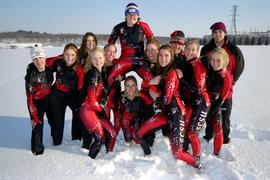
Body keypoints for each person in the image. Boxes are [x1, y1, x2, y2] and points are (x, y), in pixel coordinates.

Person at [136, 44, 201, 168]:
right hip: (165, 114)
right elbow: (147, 85)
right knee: (138, 134)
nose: (163, 58)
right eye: (160, 55)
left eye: (166, 55)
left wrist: (157, 84)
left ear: (171, 57)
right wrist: (152, 84)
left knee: (177, 152)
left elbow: (166, 100)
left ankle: (196, 164)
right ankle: (148, 154)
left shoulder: (171, 73)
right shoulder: (161, 71)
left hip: (176, 114)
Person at [201, 22, 245, 144]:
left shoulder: (233, 49)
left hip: (227, 89)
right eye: (215, 32)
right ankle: (209, 135)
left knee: (225, 115)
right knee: (210, 113)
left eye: (220, 31)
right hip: (210, 88)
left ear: (225, 33)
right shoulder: (206, 49)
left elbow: (240, 67)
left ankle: (225, 138)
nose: (217, 34)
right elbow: (202, 67)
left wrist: (231, 81)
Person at [107, 2, 155, 87]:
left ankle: (150, 98)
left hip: (140, 60)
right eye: (129, 14)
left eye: (134, 14)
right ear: (125, 16)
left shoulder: (143, 26)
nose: (132, 16)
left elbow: (153, 42)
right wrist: (109, 58)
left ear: (138, 15)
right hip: (124, 60)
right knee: (111, 77)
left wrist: (151, 57)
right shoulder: (118, 27)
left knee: (151, 79)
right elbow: (110, 45)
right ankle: (109, 99)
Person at [80, 47, 116, 158]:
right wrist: (101, 111)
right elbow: (91, 99)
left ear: (104, 58)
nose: (98, 60)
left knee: (112, 132)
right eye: (94, 58)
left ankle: (108, 155)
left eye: (100, 58)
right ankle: (91, 159)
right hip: (88, 109)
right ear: (90, 60)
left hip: (96, 108)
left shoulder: (102, 72)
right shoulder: (93, 74)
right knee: (99, 137)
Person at [178, 39, 210, 164]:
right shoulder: (185, 63)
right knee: (185, 128)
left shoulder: (198, 66)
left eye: (193, 50)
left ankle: (196, 159)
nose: (190, 52)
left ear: (197, 52)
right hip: (191, 103)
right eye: (188, 49)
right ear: (184, 50)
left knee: (192, 133)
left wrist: (182, 80)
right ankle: (185, 150)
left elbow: (198, 90)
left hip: (201, 104)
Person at [47, 43, 85, 145]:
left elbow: (80, 85)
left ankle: (76, 138)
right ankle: (56, 141)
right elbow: (46, 62)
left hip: (71, 95)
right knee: (57, 119)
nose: (69, 57)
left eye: (72, 55)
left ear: (76, 56)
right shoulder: (59, 63)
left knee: (78, 114)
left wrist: (79, 99)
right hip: (57, 94)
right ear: (63, 54)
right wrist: (59, 56)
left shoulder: (79, 68)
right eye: (67, 54)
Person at [25, 45, 54, 155]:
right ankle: (37, 150)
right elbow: (29, 97)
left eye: (41, 58)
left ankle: (56, 140)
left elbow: (61, 57)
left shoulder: (50, 65)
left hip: (49, 98)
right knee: (37, 124)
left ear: (45, 58)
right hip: (36, 102)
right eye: (35, 59)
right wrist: (34, 115)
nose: (39, 61)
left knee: (54, 121)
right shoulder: (31, 76)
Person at [206, 48, 232, 156]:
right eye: (212, 60)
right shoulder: (210, 71)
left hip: (223, 101)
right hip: (211, 100)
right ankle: (208, 136)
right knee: (209, 121)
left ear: (224, 61)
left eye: (218, 60)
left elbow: (224, 94)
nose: (215, 63)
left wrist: (217, 105)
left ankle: (217, 151)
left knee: (219, 124)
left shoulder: (226, 76)